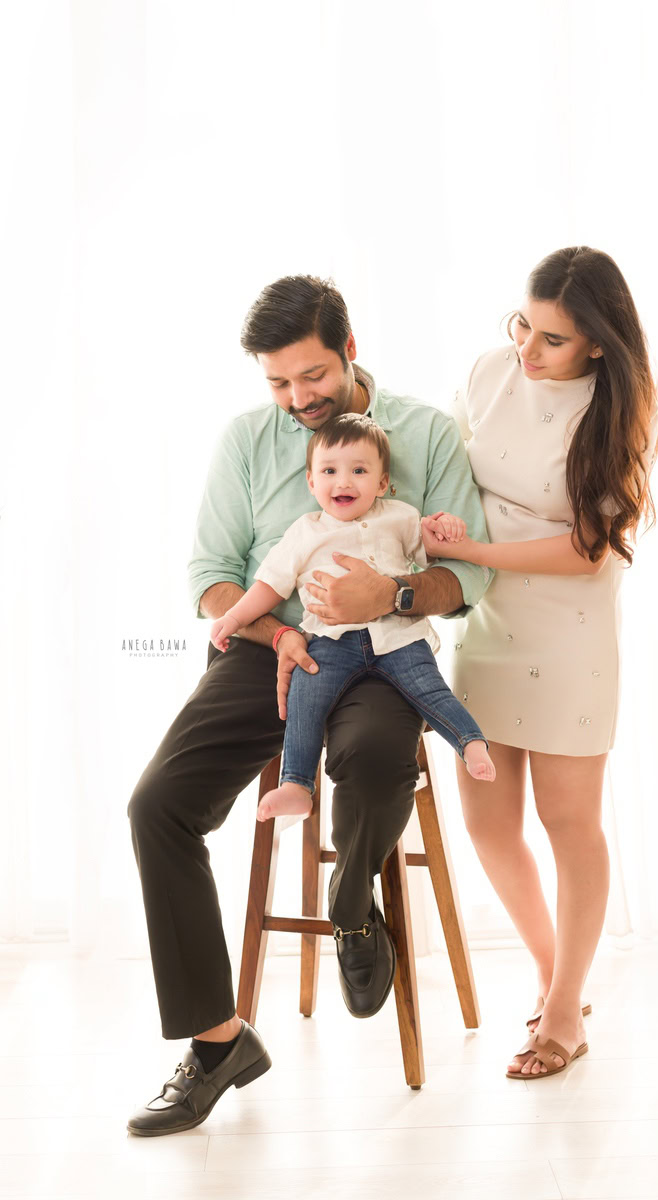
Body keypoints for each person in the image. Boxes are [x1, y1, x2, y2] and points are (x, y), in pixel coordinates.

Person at [125, 275, 493, 1137]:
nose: (297, 398)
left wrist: (391, 596)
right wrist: (281, 636)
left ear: (350, 349)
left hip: (385, 653)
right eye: (278, 383)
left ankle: (353, 909)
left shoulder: (426, 433)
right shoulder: (247, 441)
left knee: (372, 758)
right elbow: (210, 578)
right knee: (158, 805)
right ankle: (218, 1044)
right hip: (272, 652)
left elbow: (467, 576)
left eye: (313, 375)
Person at [425, 246, 658, 1081]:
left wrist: (479, 551)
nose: (527, 348)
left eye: (552, 339)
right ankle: (556, 969)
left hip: (569, 631)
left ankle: (563, 1010)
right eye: (522, 324)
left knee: (569, 821)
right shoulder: (490, 372)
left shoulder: (615, 409)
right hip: (486, 621)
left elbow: (589, 549)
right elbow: (439, 466)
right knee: (488, 822)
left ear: (597, 341)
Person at [209, 412, 496, 818]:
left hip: (399, 636)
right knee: (304, 696)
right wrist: (234, 618)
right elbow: (270, 585)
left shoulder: (400, 516)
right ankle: (296, 784)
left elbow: (435, 551)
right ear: (312, 482)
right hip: (330, 642)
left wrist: (445, 527)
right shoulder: (305, 531)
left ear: (381, 482)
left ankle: (470, 742)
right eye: (329, 471)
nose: (343, 482)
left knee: (429, 688)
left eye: (359, 471)